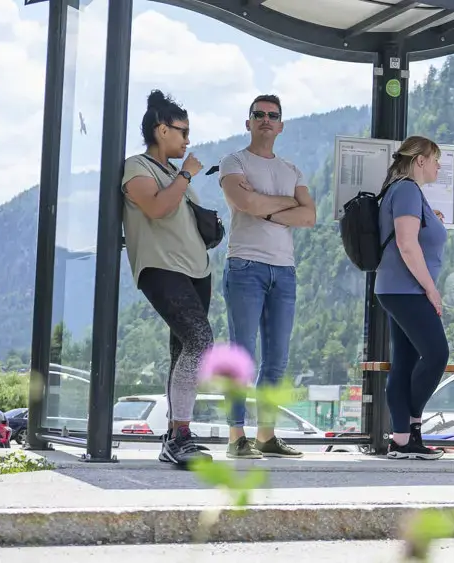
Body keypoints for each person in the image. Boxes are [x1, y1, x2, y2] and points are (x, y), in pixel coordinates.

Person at [120, 90, 216, 469]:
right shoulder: (136, 168)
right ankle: (179, 435)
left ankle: (175, 439)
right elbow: (158, 208)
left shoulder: (174, 174)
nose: (187, 140)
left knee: (184, 351)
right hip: (160, 269)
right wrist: (187, 173)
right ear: (162, 130)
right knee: (201, 341)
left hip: (197, 271)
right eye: (182, 131)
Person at [216, 94, 314, 460]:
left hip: (284, 270)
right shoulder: (234, 161)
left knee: (278, 359)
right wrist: (284, 204)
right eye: (259, 114)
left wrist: (264, 207)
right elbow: (247, 205)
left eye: (273, 115)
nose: (266, 120)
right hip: (245, 266)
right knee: (242, 354)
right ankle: (235, 436)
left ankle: (266, 436)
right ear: (249, 122)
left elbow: (310, 216)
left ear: (281, 125)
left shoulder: (292, 170)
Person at [375, 136, 450, 460]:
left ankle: (403, 440)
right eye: (435, 159)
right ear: (419, 159)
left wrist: (430, 219)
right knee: (436, 355)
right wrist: (432, 291)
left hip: (398, 289)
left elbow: (410, 234)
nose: (438, 166)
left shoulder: (404, 191)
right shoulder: (406, 189)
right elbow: (407, 244)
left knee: (405, 363)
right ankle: (412, 427)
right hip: (407, 291)